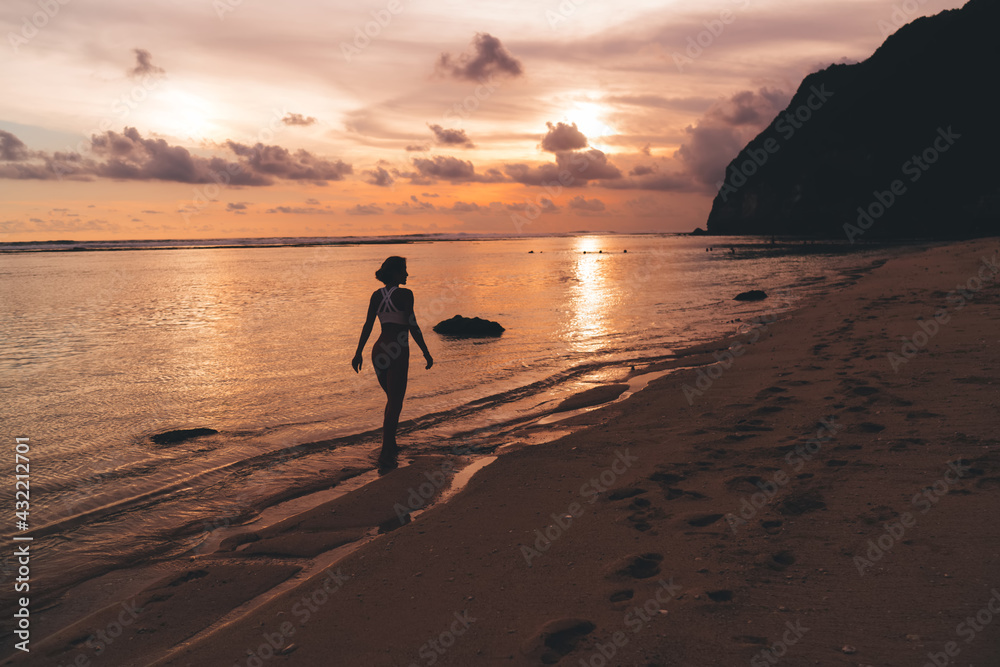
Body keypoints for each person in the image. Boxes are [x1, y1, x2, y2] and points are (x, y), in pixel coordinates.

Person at [352, 256, 433, 468]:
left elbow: (368, 325)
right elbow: (412, 324)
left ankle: (391, 444)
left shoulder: (376, 295)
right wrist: (425, 351)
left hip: (378, 350)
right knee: (396, 402)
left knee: (391, 400)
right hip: (397, 350)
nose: (407, 274)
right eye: (404, 271)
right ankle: (386, 450)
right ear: (395, 273)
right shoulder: (406, 294)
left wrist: (358, 352)